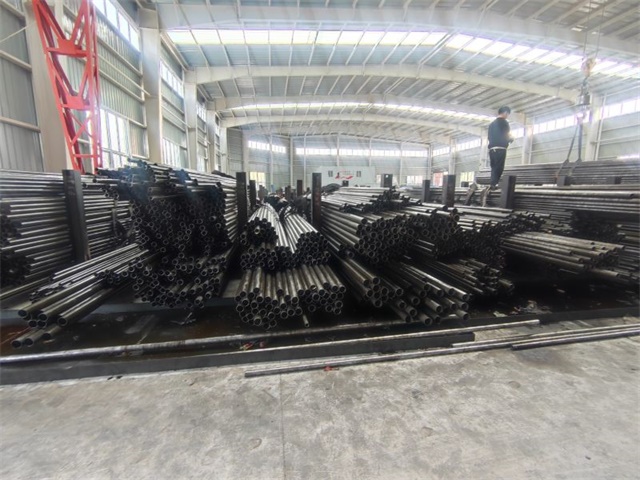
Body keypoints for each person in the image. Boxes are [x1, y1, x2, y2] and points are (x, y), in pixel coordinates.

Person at [481, 106, 513, 206]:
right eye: (508, 114)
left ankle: (493, 183)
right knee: (499, 167)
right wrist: (510, 140)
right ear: (505, 113)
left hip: (492, 149)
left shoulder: (491, 124)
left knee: (494, 167)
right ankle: (494, 184)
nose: (507, 116)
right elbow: (507, 135)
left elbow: (490, 137)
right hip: (500, 148)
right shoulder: (504, 123)